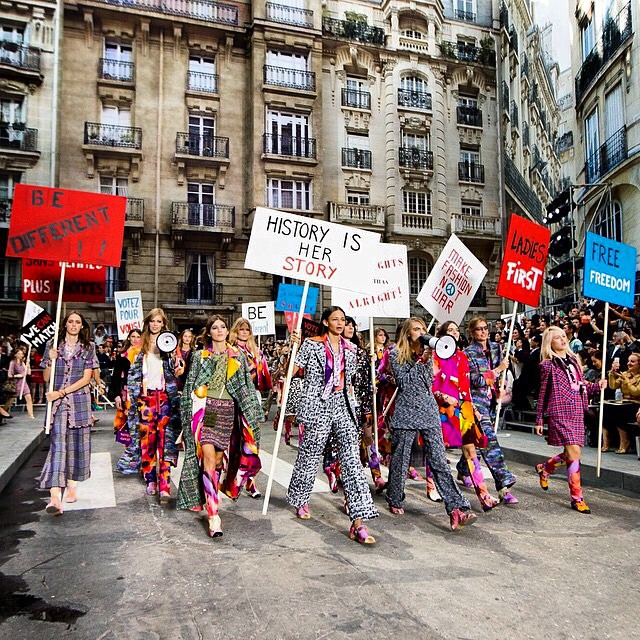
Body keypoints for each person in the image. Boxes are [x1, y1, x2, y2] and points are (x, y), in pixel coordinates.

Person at [287, 307, 379, 544]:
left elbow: (355, 382)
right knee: (310, 455)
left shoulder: (353, 350)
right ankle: (301, 498)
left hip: (343, 405)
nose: (340, 323)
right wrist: (293, 346)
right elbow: (293, 370)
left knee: (352, 462)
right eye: (336, 319)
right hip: (318, 404)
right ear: (326, 322)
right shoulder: (311, 344)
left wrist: (371, 375)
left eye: (343, 320)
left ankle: (359, 521)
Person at [385, 317, 477, 531]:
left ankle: (457, 508)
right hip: (406, 411)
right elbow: (405, 382)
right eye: (417, 329)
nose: (422, 332)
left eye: (424, 329)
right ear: (408, 333)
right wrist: (422, 360)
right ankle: (395, 497)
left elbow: (428, 382)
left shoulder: (430, 355)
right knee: (400, 459)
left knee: (439, 461)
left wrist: (427, 359)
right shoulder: (395, 354)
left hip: (427, 410)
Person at [177, 315, 262, 538]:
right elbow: (188, 389)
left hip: (227, 412)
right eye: (215, 328)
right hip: (205, 412)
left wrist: (253, 415)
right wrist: (186, 420)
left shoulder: (238, 356)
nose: (220, 330)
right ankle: (214, 514)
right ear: (209, 332)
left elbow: (246, 387)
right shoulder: (200, 357)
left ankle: (211, 492)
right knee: (206, 457)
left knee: (216, 461)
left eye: (223, 327)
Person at [534, 326, 606, 513]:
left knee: (571, 454)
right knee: (574, 453)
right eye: (557, 338)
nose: (562, 340)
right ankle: (577, 497)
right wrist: (539, 419)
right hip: (559, 411)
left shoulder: (574, 360)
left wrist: (598, 386)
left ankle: (545, 468)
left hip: (577, 410)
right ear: (550, 343)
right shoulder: (547, 365)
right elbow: (542, 393)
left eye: (563, 336)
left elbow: (581, 387)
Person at [433, 321, 498, 511]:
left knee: (470, 451)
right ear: (443, 334)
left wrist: (473, 407)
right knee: (437, 452)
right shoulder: (435, 356)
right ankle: (433, 486)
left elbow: (465, 384)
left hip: (465, 408)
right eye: (450, 330)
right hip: (443, 409)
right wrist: (443, 397)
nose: (454, 332)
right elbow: (433, 384)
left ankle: (484, 495)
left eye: (456, 330)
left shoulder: (462, 356)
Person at [38, 311, 98, 515]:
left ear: (82, 326)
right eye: (70, 321)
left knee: (76, 444)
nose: (73, 325)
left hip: (79, 401)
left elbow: (85, 378)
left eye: (77, 322)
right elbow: (46, 377)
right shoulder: (52, 346)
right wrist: (49, 360)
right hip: (58, 405)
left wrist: (61, 391)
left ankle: (72, 483)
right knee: (58, 445)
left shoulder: (89, 348)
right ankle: (55, 496)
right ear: (65, 324)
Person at [122, 309, 180, 502]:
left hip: (165, 398)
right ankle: (150, 480)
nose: (155, 325)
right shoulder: (139, 347)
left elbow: (177, 370)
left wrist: (177, 365)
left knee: (166, 441)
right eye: (152, 321)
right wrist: (131, 396)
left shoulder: (170, 344)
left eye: (159, 322)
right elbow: (130, 373)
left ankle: (165, 484)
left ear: (164, 324)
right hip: (145, 400)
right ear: (148, 323)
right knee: (147, 442)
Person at [460, 317, 518, 504]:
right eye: (479, 329)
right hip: (475, 401)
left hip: (491, 400)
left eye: (485, 328)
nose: (483, 332)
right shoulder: (467, 353)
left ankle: (463, 468)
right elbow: (474, 380)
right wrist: (496, 371)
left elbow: (503, 374)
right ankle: (504, 483)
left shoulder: (496, 348)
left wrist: (501, 384)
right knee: (488, 439)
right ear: (472, 332)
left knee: (475, 441)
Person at [229, 317, 272, 498]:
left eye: (247, 329)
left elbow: (265, 378)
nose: (244, 332)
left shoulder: (257, 352)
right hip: (233, 398)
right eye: (241, 329)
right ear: (236, 331)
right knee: (234, 441)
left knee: (253, 440)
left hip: (252, 397)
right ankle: (232, 478)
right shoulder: (230, 350)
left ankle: (249, 480)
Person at [108, 329, 142, 452]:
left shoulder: (147, 354)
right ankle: (130, 452)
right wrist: (116, 395)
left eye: (138, 336)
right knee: (127, 423)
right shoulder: (122, 356)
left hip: (143, 393)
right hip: (126, 394)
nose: (135, 339)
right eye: (133, 336)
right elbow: (116, 378)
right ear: (128, 338)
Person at [605, 352, 640, 453]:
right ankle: (607, 441)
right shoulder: (625, 373)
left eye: (632, 361)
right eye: (628, 361)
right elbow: (613, 386)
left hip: (636, 404)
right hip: (624, 403)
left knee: (620, 410)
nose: (629, 363)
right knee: (606, 408)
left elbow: (636, 391)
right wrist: (611, 374)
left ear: (639, 364)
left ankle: (625, 442)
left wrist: (627, 380)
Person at [6, 348, 35, 419]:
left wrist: (28, 365)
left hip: (23, 383)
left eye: (21, 354)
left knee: (28, 398)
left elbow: (28, 373)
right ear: (15, 355)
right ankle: (3, 411)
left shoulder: (23, 363)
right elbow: (9, 375)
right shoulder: (12, 362)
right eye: (19, 353)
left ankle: (31, 415)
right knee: (11, 400)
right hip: (15, 383)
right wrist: (18, 375)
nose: (21, 355)